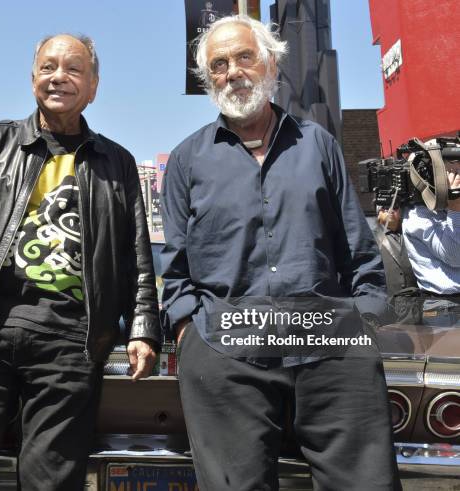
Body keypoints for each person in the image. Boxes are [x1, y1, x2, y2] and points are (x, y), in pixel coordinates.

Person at [161, 15, 401, 490]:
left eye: (244, 56)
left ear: (269, 62)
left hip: (327, 336)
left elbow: (358, 248)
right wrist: (190, 330)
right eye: (220, 64)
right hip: (226, 340)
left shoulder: (318, 145)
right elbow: (175, 267)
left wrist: (365, 319)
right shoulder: (188, 159)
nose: (233, 72)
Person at [0, 33, 160, 491]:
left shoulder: (118, 163)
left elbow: (137, 258)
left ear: (93, 87)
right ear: (32, 81)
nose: (58, 77)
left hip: (70, 340)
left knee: (52, 480)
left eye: (73, 69)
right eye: (48, 67)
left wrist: (144, 328)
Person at [401, 152, 460, 327]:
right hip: (445, 309)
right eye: (450, 169)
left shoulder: (448, 206)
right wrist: (455, 208)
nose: (455, 176)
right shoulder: (418, 216)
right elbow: (455, 256)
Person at [372, 206, 417, 295]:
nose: (390, 210)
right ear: (378, 212)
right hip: (387, 299)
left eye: (395, 207)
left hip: (415, 299)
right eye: (385, 207)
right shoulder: (371, 237)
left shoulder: (412, 233)